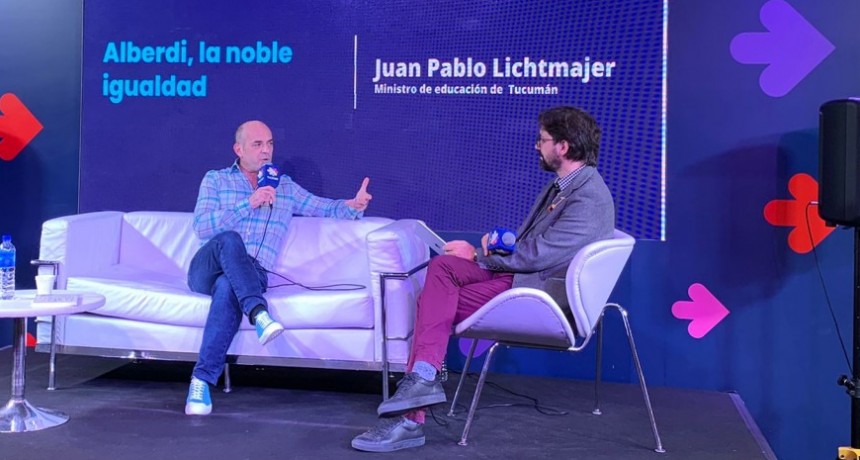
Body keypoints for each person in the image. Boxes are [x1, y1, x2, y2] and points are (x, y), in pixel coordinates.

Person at [350, 106, 615, 452]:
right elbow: (534, 247)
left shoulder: (589, 197)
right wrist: (489, 247)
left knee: (433, 305)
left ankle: (411, 415)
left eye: (542, 140)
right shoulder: (565, 187)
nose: (537, 146)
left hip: (536, 290)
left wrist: (478, 256)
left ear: (563, 147)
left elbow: (539, 255)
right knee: (443, 267)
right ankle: (423, 382)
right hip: (522, 274)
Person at [185, 120, 372, 416]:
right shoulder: (216, 180)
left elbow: (324, 207)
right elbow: (201, 226)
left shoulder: (283, 187)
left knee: (228, 286)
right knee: (230, 240)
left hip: (252, 274)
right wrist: (249, 203)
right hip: (207, 268)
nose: (266, 151)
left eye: (270, 143)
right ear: (238, 149)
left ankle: (201, 381)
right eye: (257, 144)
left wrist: (354, 205)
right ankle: (259, 313)